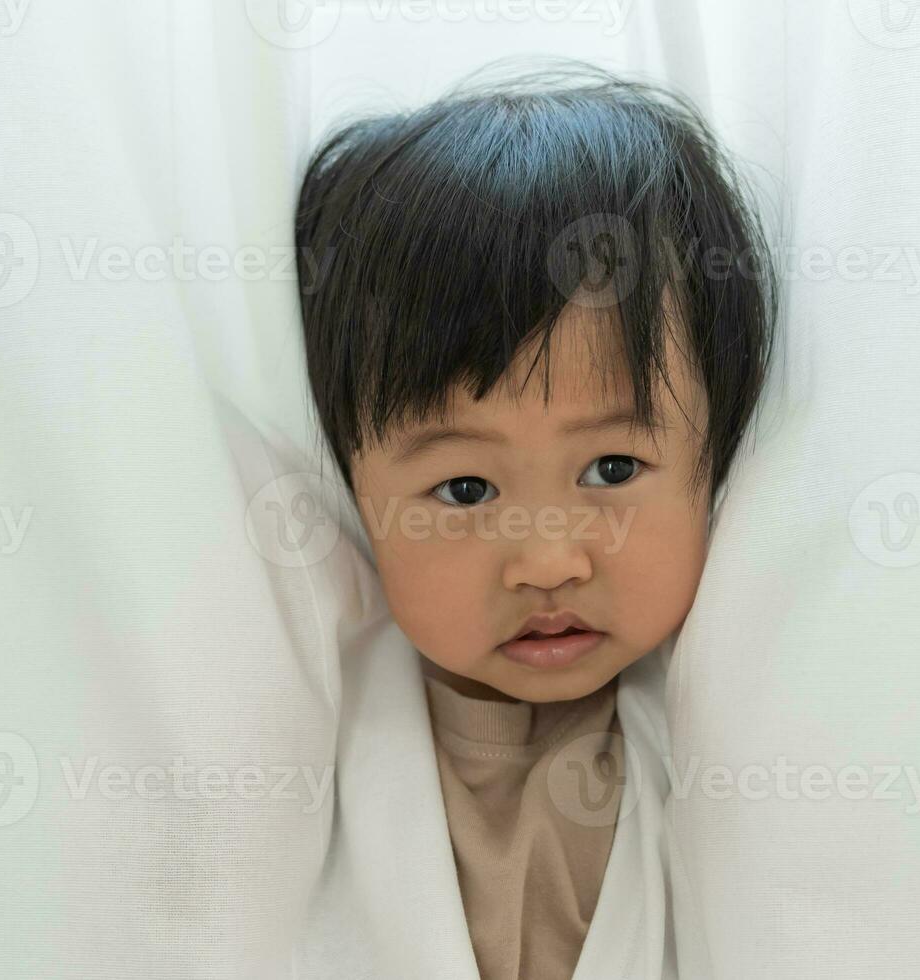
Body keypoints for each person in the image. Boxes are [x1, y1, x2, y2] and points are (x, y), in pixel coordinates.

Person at [291, 60, 775, 979]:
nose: (548, 562)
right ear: (354, 487)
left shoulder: (734, 741)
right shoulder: (304, 743)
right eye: (466, 491)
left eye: (612, 468)